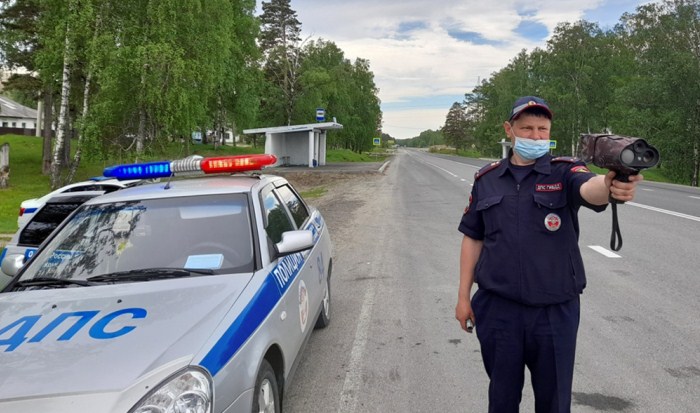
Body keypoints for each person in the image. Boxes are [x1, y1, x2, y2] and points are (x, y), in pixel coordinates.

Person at [454, 96, 642, 413]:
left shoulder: (564, 172)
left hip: (554, 312)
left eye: (542, 129)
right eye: (527, 128)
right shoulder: (487, 179)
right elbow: (473, 238)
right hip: (499, 310)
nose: (536, 136)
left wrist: (611, 186)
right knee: (501, 400)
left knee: (554, 403)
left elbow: (590, 188)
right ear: (509, 130)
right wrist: (463, 297)